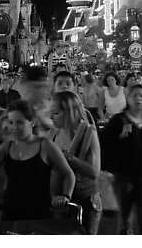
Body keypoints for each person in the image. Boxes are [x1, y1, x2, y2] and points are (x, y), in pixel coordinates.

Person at [0, 100, 75, 221]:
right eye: (11, 122)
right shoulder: (8, 146)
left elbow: (68, 173)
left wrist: (66, 196)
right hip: (11, 212)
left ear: (33, 122)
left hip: (39, 212)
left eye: (19, 122)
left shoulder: (45, 145)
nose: (14, 127)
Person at [100, 85, 142, 234]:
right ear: (128, 98)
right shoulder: (119, 120)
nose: (138, 99)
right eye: (135, 95)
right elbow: (104, 142)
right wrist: (120, 136)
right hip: (123, 175)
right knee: (125, 221)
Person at [47, 91, 102, 234]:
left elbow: (94, 171)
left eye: (56, 113)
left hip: (85, 200)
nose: (51, 117)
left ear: (70, 113)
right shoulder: (53, 133)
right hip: (60, 200)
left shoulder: (88, 134)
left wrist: (69, 158)